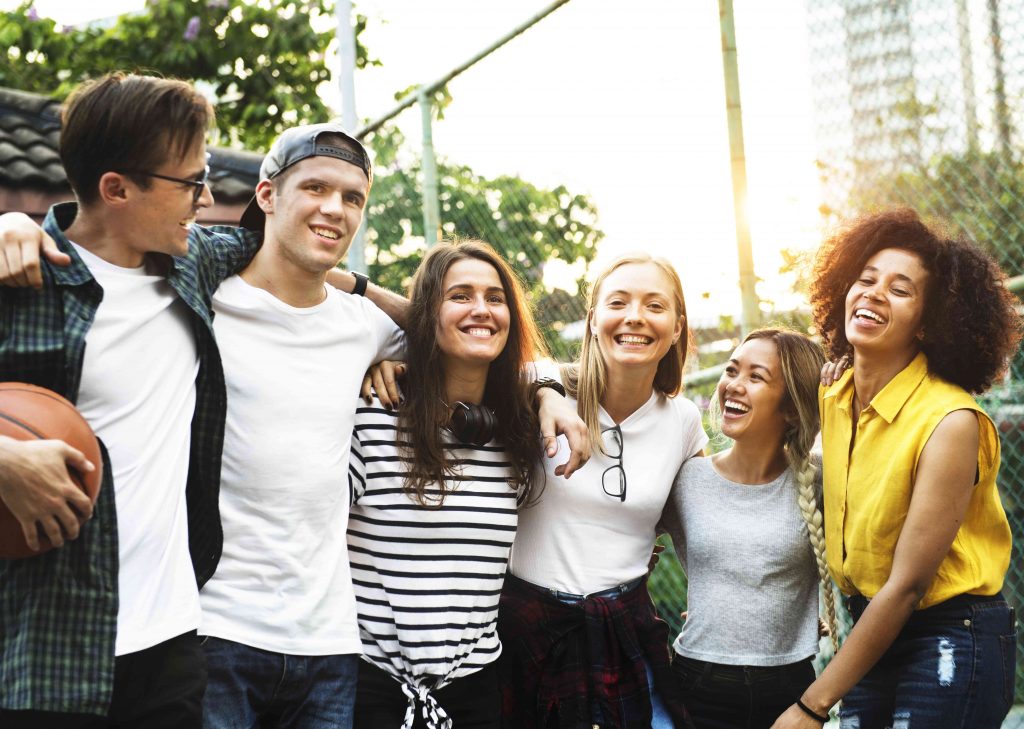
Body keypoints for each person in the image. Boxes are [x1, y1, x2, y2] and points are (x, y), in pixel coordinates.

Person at [0, 73, 261, 728]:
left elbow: (281, 245)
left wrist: (533, 379)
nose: (205, 200)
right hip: (46, 646)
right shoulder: (22, 278)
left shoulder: (191, 261)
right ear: (116, 188)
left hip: (171, 641)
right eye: (189, 184)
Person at [771, 208, 1020, 729]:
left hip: (951, 633)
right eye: (864, 279)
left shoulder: (950, 421)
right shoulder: (833, 393)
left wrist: (811, 707)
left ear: (929, 322)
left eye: (900, 290)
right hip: (873, 630)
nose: (874, 293)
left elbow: (907, 586)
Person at [347, 239, 554, 729]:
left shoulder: (520, 434)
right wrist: (356, 285)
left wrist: (553, 396)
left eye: (495, 297)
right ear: (426, 314)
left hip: (477, 692)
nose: (481, 309)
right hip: (370, 688)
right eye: (460, 295)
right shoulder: (371, 415)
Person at [498, 252, 705, 729]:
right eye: (619, 302)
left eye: (655, 306)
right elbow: (441, 347)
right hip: (529, 628)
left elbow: (698, 530)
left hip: (624, 628)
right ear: (593, 321)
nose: (635, 317)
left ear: (676, 328)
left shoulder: (684, 423)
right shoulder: (536, 387)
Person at [662, 328, 838, 729]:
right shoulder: (688, 478)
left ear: (791, 408)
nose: (733, 386)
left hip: (791, 689)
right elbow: (620, 540)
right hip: (698, 685)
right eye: (731, 370)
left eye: (755, 377)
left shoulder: (822, 479)